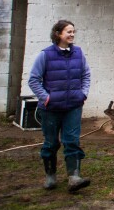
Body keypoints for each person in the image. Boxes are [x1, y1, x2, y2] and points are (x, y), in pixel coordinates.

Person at [28, 20, 91, 193]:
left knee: (72, 141)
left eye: (73, 32)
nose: (72, 35)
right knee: (50, 143)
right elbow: (33, 80)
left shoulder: (78, 53)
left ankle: (74, 177)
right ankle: (50, 175)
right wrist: (46, 98)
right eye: (68, 32)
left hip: (73, 106)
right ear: (58, 34)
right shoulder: (45, 55)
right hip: (51, 109)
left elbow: (86, 74)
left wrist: (82, 93)